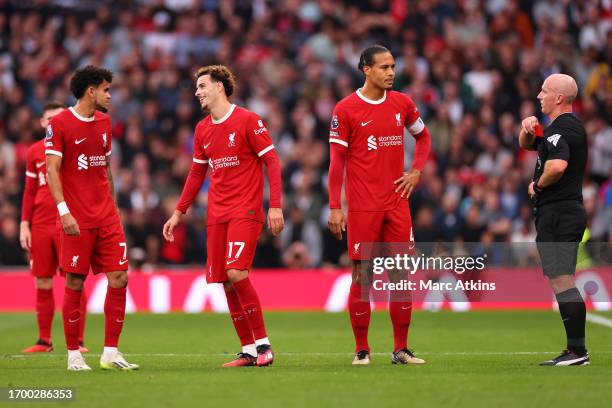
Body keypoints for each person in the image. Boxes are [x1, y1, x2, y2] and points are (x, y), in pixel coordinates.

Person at [162, 65, 284, 367]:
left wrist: (276, 205)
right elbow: (196, 173)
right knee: (225, 282)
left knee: (236, 273)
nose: (197, 92)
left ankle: (264, 345)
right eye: (196, 87)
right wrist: (179, 212)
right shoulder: (202, 129)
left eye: (202, 86)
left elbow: (272, 161)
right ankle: (247, 350)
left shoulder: (248, 121)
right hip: (216, 213)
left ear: (219, 87)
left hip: (246, 209)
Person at [327, 45, 431, 365]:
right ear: (366, 70)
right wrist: (335, 206)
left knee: (400, 276)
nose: (391, 72)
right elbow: (336, 163)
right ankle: (362, 350)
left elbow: (424, 138)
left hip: (397, 204)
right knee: (363, 277)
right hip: (363, 208)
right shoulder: (345, 109)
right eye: (384, 67)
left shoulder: (402, 103)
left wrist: (415, 172)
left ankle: (401, 349)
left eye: (393, 66)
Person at [45, 65, 138, 371]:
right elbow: (52, 170)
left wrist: (113, 207)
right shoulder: (59, 124)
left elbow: (106, 169)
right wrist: (64, 212)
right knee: (74, 280)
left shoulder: (104, 123)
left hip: (106, 216)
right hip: (76, 218)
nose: (110, 95)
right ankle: (74, 355)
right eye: (106, 89)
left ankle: (111, 352)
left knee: (120, 277)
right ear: (91, 91)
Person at [519, 73, 589, 366]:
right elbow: (528, 145)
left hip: (559, 212)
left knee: (562, 280)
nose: (539, 96)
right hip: (562, 211)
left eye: (544, 91)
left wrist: (538, 185)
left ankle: (577, 352)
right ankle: (575, 350)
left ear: (558, 98)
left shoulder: (561, 132)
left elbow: (557, 166)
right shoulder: (560, 130)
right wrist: (527, 129)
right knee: (561, 280)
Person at [20, 101, 89, 354]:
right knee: (43, 281)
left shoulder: (74, 148)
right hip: (39, 223)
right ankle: (44, 340)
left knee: (74, 278)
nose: (53, 123)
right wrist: (24, 224)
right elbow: (29, 192)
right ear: (41, 122)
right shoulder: (34, 152)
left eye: (58, 118)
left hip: (67, 221)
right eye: (49, 119)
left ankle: (78, 341)